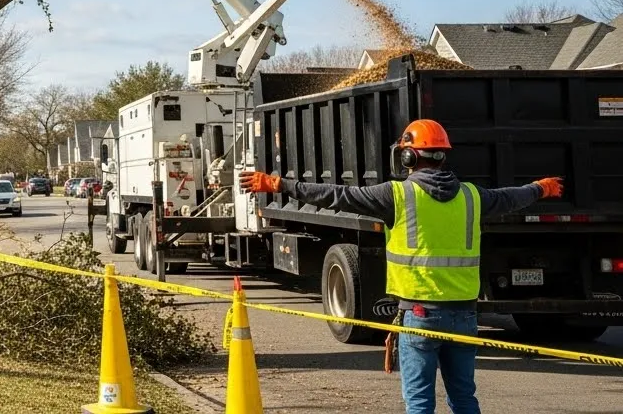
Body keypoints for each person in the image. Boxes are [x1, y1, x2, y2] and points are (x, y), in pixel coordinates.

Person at [240, 118, 563, 414]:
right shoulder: (472, 196)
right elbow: (511, 197)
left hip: (419, 313)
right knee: (464, 396)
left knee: (420, 400)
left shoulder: (397, 195)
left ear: (408, 157)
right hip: (465, 313)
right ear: (443, 155)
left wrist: (280, 184)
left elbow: (338, 196)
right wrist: (540, 188)